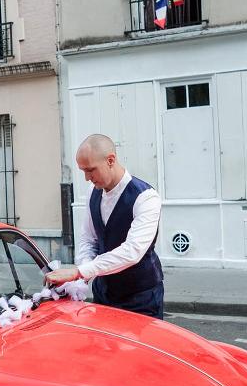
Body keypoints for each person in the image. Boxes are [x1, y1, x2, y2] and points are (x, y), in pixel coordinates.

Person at [46, 134, 164, 318]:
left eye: (90, 170)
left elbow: (132, 251)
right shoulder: (93, 192)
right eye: (83, 171)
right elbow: (88, 239)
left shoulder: (146, 197)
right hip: (104, 294)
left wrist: (79, 272)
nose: (86, 178)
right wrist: (82, 278)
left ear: (110, 160)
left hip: (141, 297)